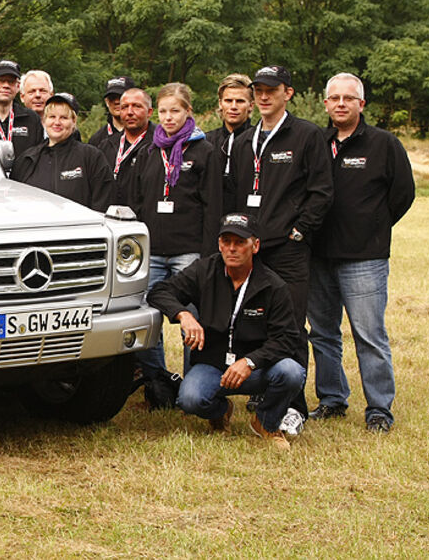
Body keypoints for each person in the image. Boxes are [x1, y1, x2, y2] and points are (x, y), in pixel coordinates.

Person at [227, 65, 333, 435]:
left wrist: (300, 232)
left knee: (289, 326)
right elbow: (237, 193)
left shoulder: (306, 135)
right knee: (251, 322)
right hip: (251, 250)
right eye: (259, 89)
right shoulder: (244, 141)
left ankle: (293, 407)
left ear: (288, 92)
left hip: (288, 250)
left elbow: (322, 191)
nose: (264, 96)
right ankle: (265, 394)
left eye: (272, 89)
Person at [307, 73, 414, 433]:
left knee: (369, 335)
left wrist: (373, 227)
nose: (340, 103)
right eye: (334, 98)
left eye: (348, 98)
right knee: (322, 333)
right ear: (325, 104)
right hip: (318, 255)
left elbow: (403, 195)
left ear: (361, 104)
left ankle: (379, 409)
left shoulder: (384, 144)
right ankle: (332, 399)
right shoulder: (315, 142)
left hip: (364, 258)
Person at [148, 213, 305, 450]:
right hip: (213, 365)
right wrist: (184, 314)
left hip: (256, 369)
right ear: (219, 244)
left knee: (292, 372)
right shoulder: (204, 270)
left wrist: (250, 361)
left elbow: (287, 339)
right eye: (226, 241)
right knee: (189, 399)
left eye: (240, 242)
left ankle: (266, 422)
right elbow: (159, 292)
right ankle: (220, 412)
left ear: (255, 246)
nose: (232, 249)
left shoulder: (274, 286)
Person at [130, 83, 222, 403]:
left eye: (176, 111)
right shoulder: (149, 151)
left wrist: (209, 256)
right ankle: (159, 382)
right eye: (164, 111)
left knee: (192, 320)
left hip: (190, 251)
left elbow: (213, 206)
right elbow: (139, 201)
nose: (169, 118)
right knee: (146, 316)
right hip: (153, 251)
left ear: (188, 112)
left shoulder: (205, 151)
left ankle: (193, 387)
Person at [10, 92, 113, 212]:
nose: (57, 122)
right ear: (45, 120)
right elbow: (15, 204)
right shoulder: (27, 159)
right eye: (52, 117)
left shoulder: (91, 157)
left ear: (74, 121)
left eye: (64, 117)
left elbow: (104, 203)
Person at [99, 88, 154, 207]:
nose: (130, 112)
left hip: (145, 221)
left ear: (149, 112)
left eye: (136, 106)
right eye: (124, 107)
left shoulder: (159, 145)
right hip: (111, 218)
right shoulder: (106, 145)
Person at [0, 59, 44, 158]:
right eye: (1, 80)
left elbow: (41, 159)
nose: (6, 85)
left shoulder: (31, 119)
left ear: (18, 86)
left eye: (11, 81)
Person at [204, 73, 254, 183]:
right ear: (220, 103)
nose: (233, 107)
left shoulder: (259, 141)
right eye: (228, 101)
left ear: (251, 105)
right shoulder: (206, 141)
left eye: (240, 101)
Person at [86, 76, 135, 148]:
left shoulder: (149, 135)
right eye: (112, 98)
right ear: (107, 102)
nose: (116, 101)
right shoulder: (97, 140)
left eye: (121, 97)